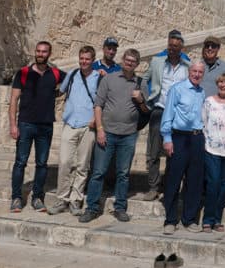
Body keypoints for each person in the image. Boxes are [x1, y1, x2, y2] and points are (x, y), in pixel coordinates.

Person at [80, 49, 148, 223]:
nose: (130, 63)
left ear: (137, 64)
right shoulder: (109, 79)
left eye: (133, 61)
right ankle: (92, 208)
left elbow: (147, 110)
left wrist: (140, 100)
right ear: (122, 61)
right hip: (107, 132)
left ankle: (120, 208)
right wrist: (100, 129)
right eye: (127, 60)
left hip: (129, 134)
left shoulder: (141, 82)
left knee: (123, 173)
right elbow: (98, 105)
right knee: (98, 172)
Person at [9, 41, 63, 213]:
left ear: (49, 53)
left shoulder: (55, 73)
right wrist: (13, 124)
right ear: (35, 52)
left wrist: (58, 93)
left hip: (45, 125)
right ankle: (16, 198)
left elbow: (72, 81)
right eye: (38, 51)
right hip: (25, 124)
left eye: (44, 51)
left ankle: (37, 198)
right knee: (20, 162)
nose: (40, 54)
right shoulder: (23, 73)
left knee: (42, 163)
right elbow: (13, 101)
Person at [49, 45, 99, 216]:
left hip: (88, 126)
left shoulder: (98, 78)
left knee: (83, 165)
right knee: (64, 162)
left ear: (93, 60)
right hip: (70, 123)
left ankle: (75, 199)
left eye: (87, 59)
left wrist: (96, 120)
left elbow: (102, 102)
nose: (84, 61)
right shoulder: (71, 75)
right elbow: (59, 92)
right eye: (82, 58)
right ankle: (62, 198)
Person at [140, 29, 189, 201]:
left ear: (181, 47)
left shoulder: (186, 68)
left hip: (177, 115)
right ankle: (153, 187)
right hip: (159, 111)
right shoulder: (157, 62)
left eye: (176, 46)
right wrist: (146, 101)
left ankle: (169, 187)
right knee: (153, 152)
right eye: (170, 45)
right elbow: (144, 80)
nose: (172, 48)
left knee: (172, 153)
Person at [161, 61, 207, 234]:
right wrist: (167, 138)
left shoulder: (202, 92)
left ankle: (189, 219)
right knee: (173, 179)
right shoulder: (177, 89)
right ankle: (170, 220)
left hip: (197, 138)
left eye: (200, 72)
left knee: (195, 181)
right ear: (189, 72)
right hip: (178, 137)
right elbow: (168, 114)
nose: (197, 74)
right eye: (194, 71)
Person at [201, 73, 225, 232]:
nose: (223, 85)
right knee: (213, 183)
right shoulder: (209, 101)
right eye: (221, 82)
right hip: (211, 149)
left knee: (224, 185)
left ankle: (217, 220)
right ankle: (207, 219)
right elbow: (203, 122)